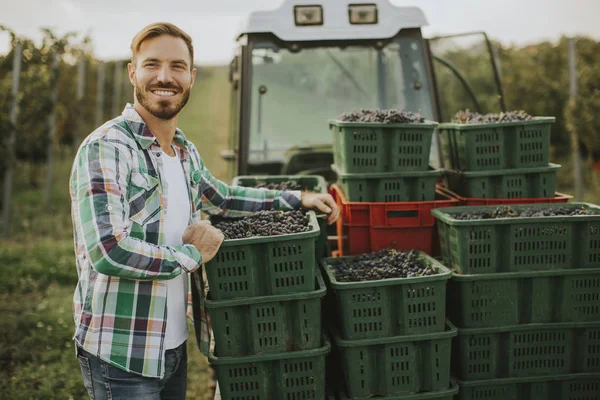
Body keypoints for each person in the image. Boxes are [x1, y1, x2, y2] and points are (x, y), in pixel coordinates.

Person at [69, 22, 339, 400]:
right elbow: (109, 251)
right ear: (133, 72)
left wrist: (298, 198)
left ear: (191, 77)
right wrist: (193, 256)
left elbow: (224, 198)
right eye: (152, 65)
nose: (165, 77)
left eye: (177, 67)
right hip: (122, 351)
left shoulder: (183, 151)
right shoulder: (107, 148)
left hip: (173, 344)